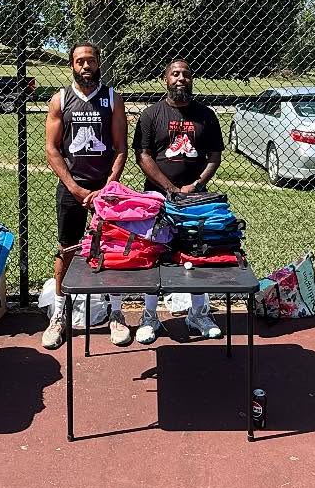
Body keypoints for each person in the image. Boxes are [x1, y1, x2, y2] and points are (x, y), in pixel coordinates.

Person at [41, 42, 129, 350]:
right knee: (66, 249)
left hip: (106, 189)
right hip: (72, 186)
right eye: (79, 61)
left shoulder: (112, 98)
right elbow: (52, 150)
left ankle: (116, 313)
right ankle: (59, 315)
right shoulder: (60, 100)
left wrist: (108, 186)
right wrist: (75, 188)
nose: (85, 66)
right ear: (71, 66)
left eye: (90, 60)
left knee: (112, 248)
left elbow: (121, 149)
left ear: (99, 62)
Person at [132, 59, 225, 343]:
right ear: (165, 80)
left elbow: (214, 157)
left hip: (195, 199)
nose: (181, 78)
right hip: (157, 196)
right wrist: (169, 187)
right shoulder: (151, 114)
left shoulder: (206, 115)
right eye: (175, 74)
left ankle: (198, 313)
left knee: (196, 253)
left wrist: (195, 185)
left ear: (192, 79)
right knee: (152, 253)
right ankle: (150, 316)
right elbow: (143, 156)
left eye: (186, 73)